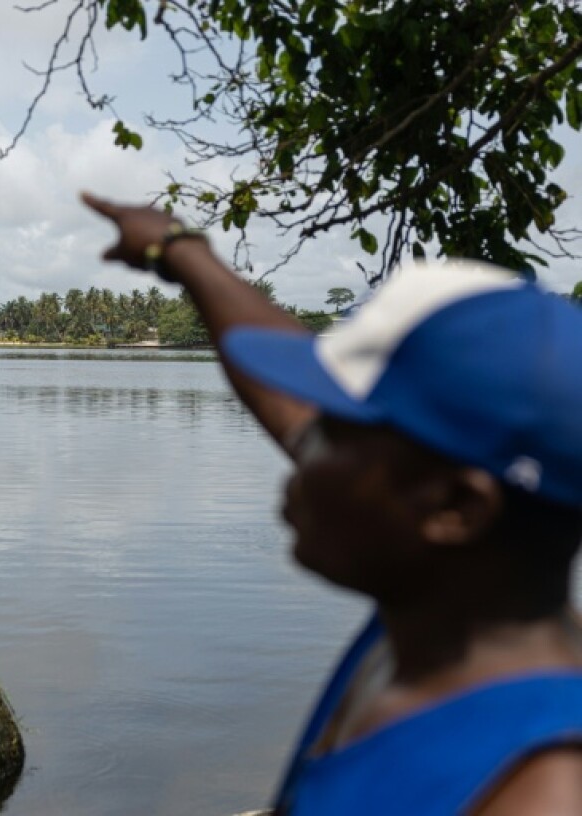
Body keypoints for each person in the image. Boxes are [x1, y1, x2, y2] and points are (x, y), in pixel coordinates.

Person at [81, 192, 582, 815]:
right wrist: (179, 251)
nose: (299, 441)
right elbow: (281, 389)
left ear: (456, 508)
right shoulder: (445, 621)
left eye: (335, 433)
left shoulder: (535, 789)